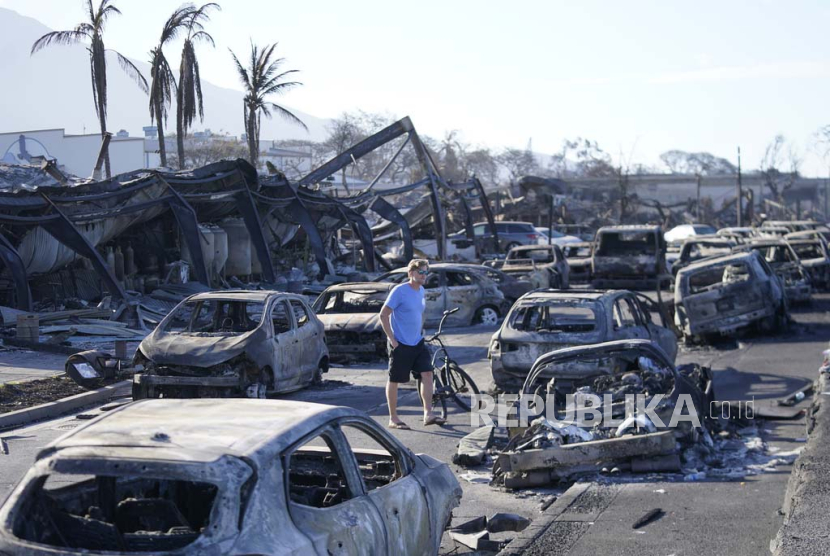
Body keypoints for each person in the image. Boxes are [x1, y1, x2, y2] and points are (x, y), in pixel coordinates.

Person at [380, 259, 445, 429]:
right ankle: (393, 418)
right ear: (411, 273)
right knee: (395, 380)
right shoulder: (399, 291)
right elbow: (383, 315)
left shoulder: (421, 290)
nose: (423, 276)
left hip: (417, 342)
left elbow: (419, 314)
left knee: (427, 374)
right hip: (400, 343)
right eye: (420, 272)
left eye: (425, 272)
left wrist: (421, 331)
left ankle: (428, 413)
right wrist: (392, 340)